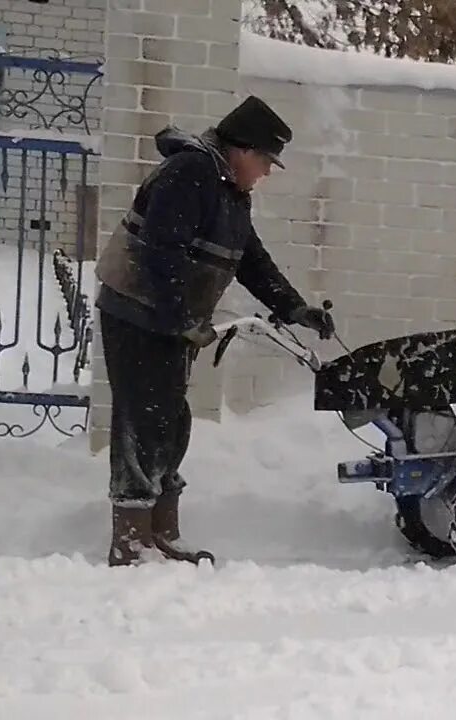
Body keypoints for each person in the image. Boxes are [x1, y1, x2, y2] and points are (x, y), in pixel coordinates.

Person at [94, 95, 335, 567]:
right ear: (242, 149)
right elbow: (162, 253)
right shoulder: (190, 174)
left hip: (170, 320)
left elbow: (250, 258)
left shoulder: (229, 192)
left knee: (170, 419)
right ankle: (130, 541)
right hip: (137, 313)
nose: (265, 172)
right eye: (266, 161)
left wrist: (294, 308)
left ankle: (161, 531)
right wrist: (181, 318)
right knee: (144, 418)